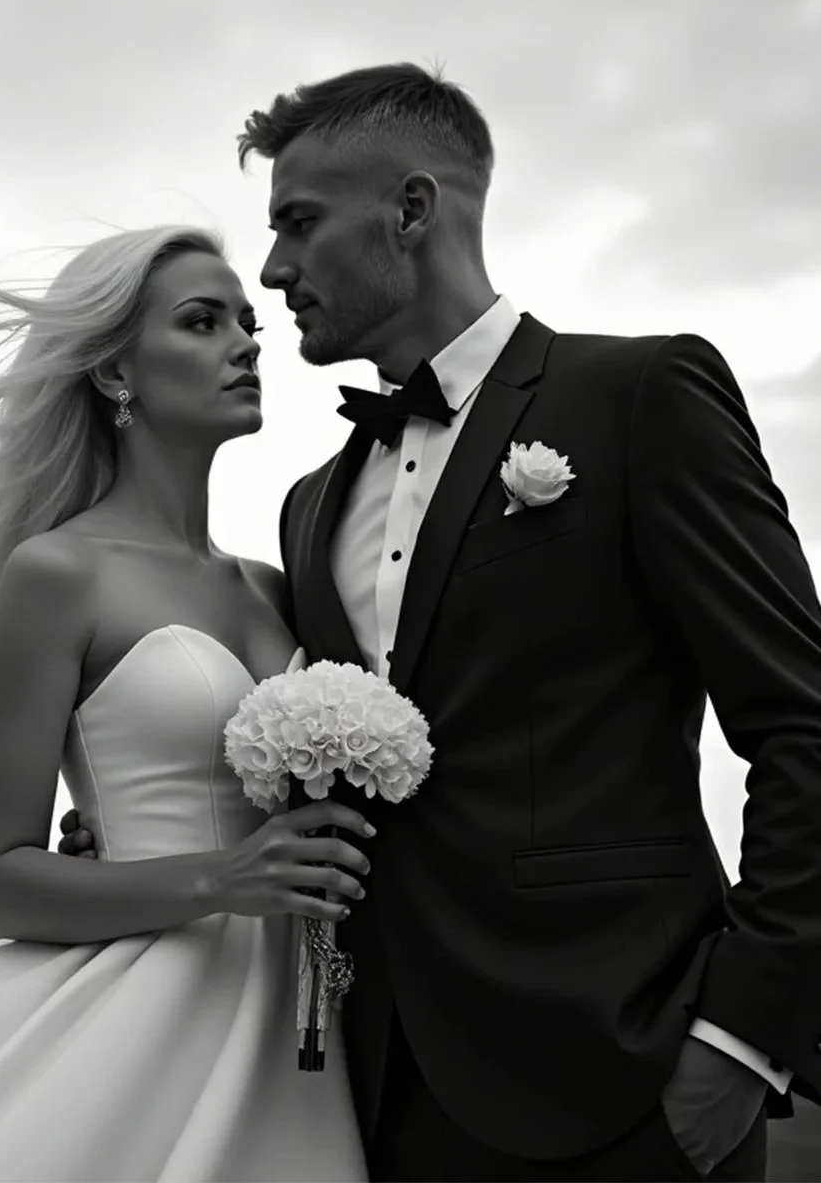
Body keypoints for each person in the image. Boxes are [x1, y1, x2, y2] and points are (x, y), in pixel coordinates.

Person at [60, 65, 821, 1181]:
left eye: (299, 224)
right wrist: (141, 844)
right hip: (362, 1092)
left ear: (410, 211)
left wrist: (739, 1041)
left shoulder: (637, 398)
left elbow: (800, 723)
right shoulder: (309, 504)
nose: (272, 272)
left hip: (624, 1079)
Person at [0, 225, 370, 1182]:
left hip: (304, 1027)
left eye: (246, 322)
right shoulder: (59, 573)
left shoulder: (277, 585)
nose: (248, 342)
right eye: (202, 322)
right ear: (116, 371)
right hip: (149, 1011)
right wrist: (221, 877)